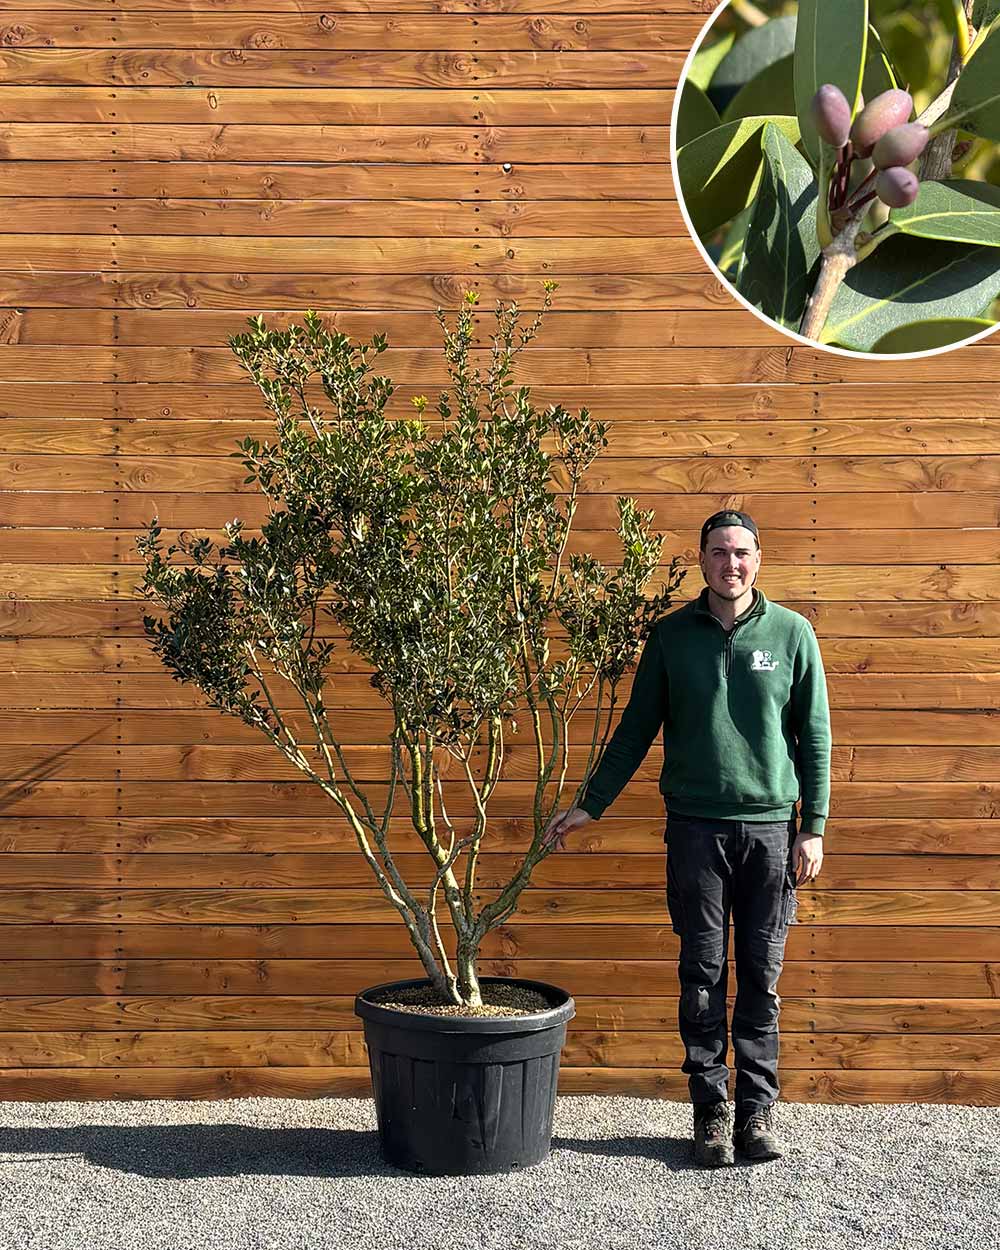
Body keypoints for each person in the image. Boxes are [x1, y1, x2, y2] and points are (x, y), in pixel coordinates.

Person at [543, 509, 831, 1167]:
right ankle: (710, 1113)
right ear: (701, 559)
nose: (732, 564)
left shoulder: (793, 634)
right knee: (701, 974)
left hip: (769, 834)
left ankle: (756, 1117)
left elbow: (814, 737)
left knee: (762, 976)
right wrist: (590, 804)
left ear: (758, 559)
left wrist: (812, 828)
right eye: (719, 552)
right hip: (696, 832)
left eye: (742, 553)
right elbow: (635, 729)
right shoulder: (672, 637)